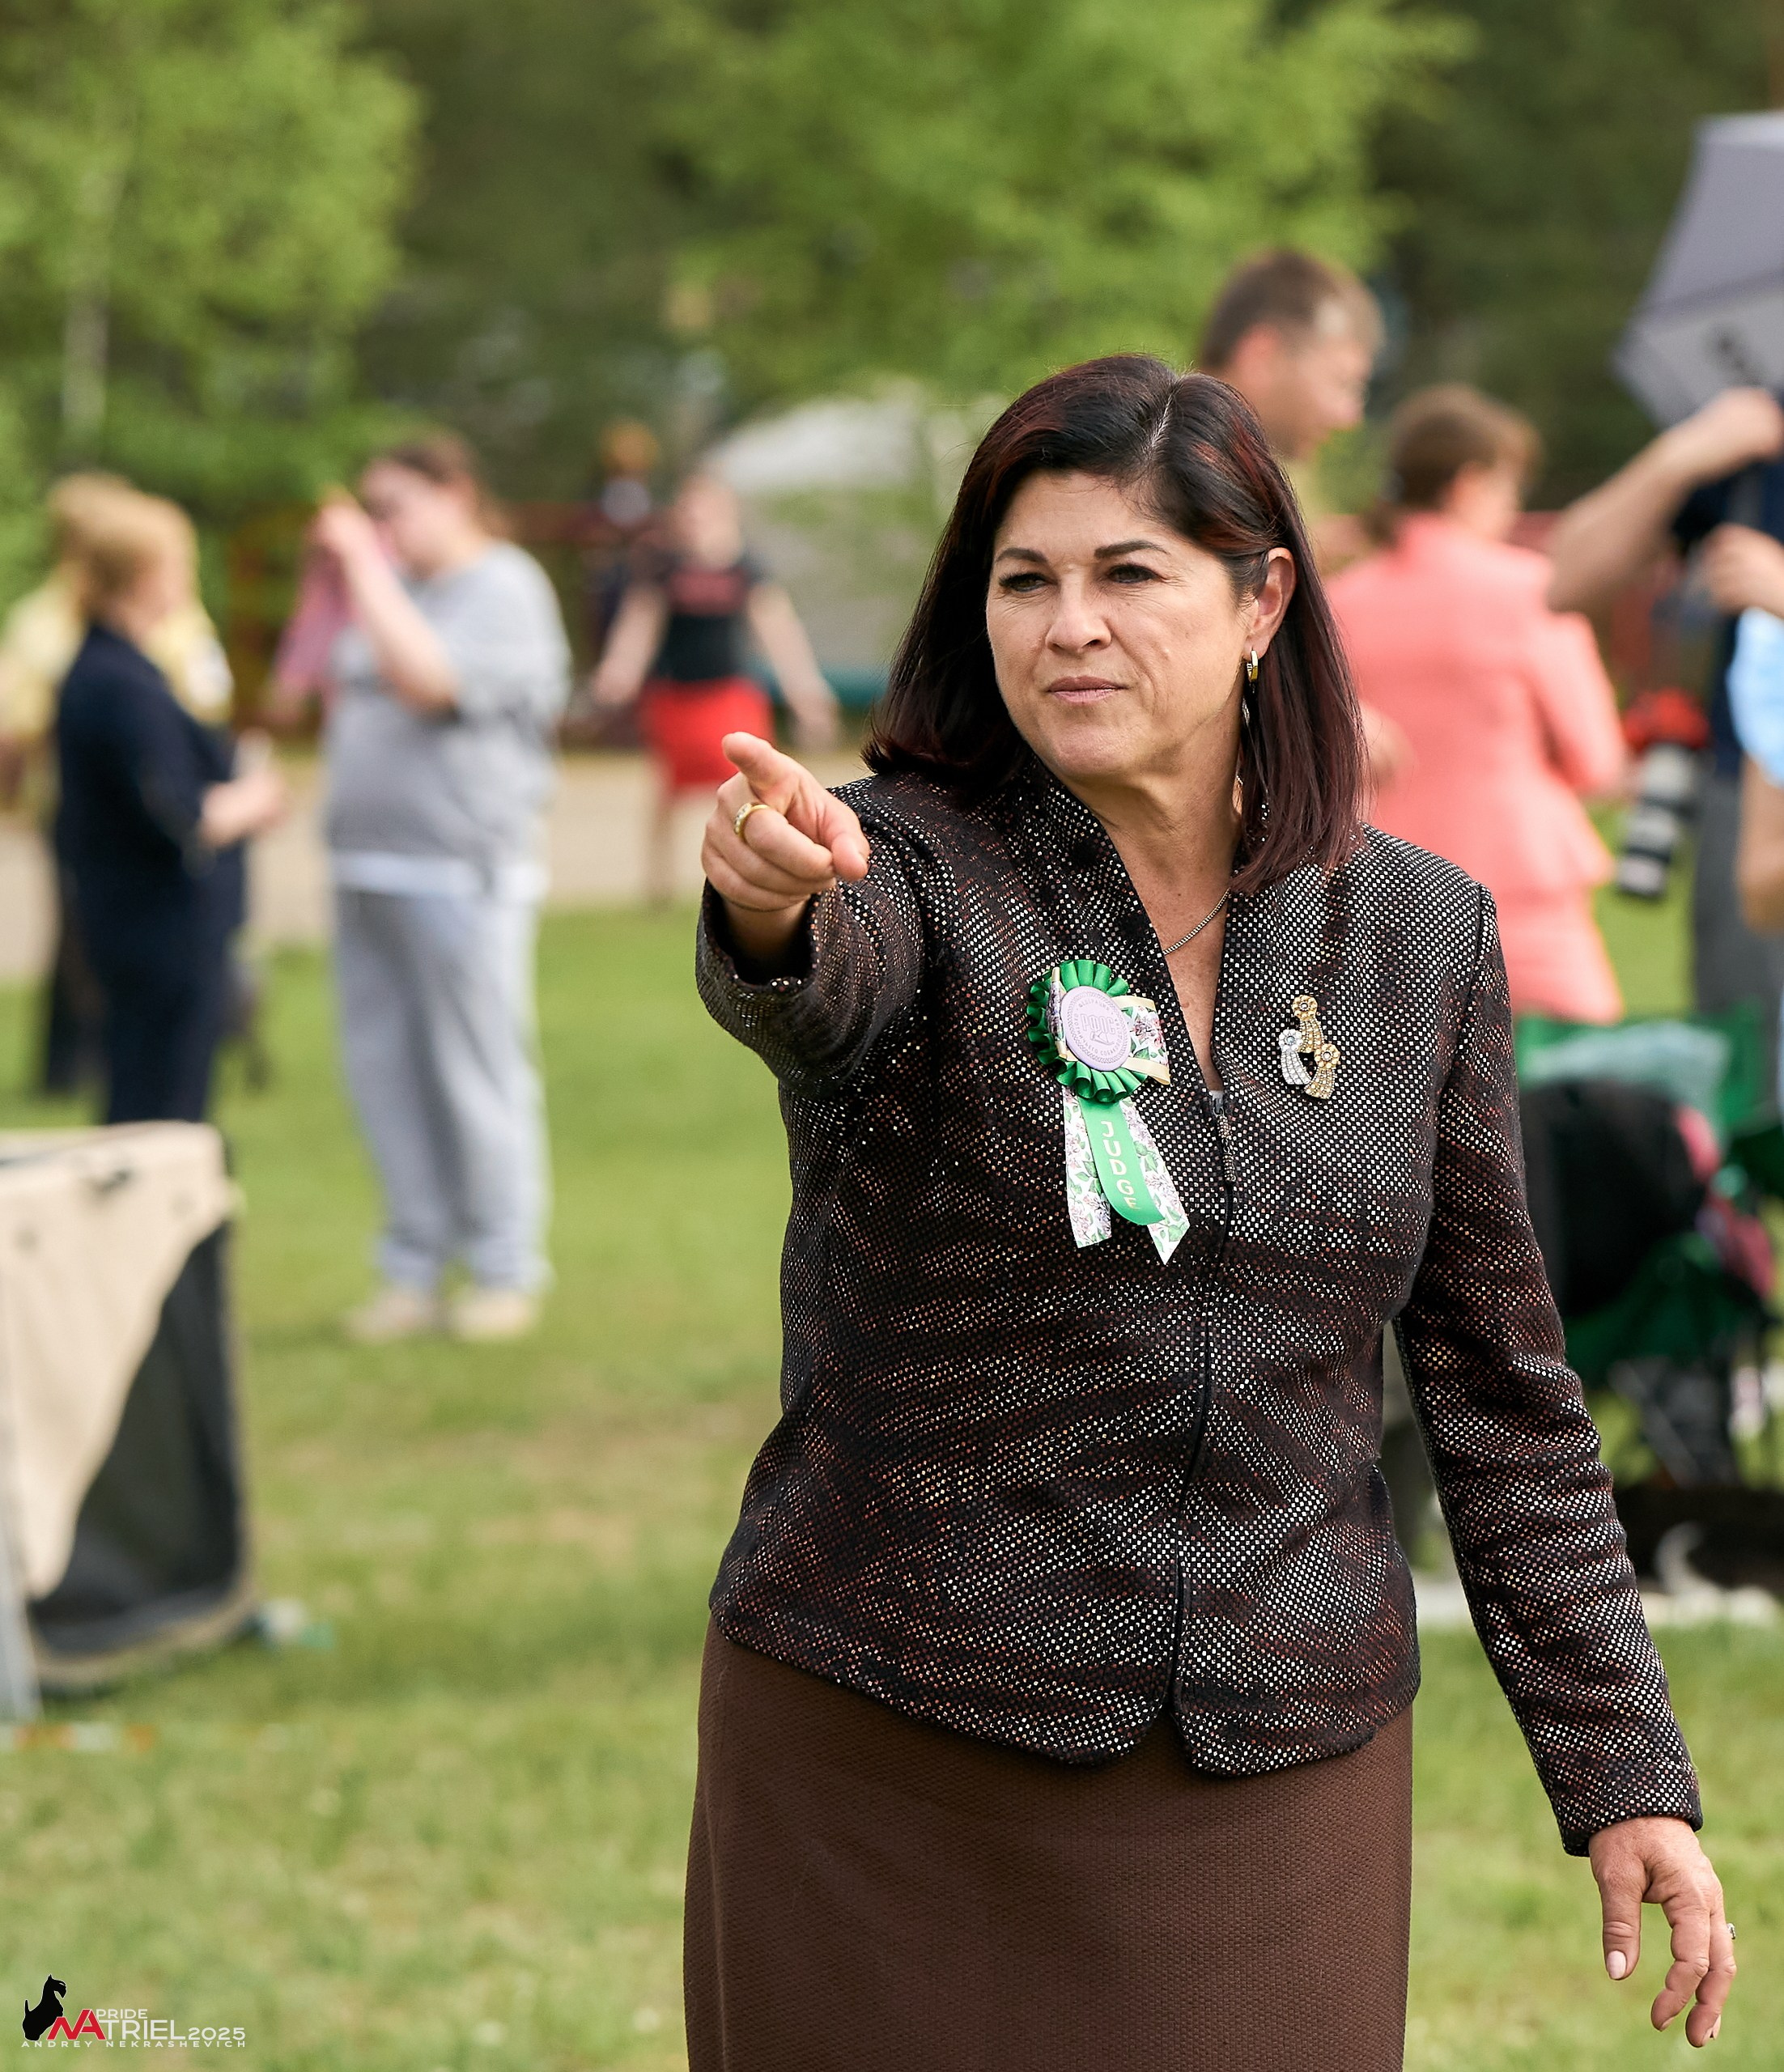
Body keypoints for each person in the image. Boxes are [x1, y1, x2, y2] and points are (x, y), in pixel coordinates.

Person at [685, 358, 1732, 2070]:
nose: (1068, 627)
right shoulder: (907, 869)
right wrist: (767, 912)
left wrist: (1623, 1771)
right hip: (896, 1751)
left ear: (1261, 603)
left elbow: (1500, 1392)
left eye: (1126, 573)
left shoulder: (1417, 937)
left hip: (1277, 1774)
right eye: (1023, 580)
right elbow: (818, 984)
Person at [311, 434, 571, 1344]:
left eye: (396, 506)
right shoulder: (395, 588)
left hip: (462, 868)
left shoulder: (503, 585)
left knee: (474, 1073)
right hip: (367, 865)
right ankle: (413, 1266)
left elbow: (429, 683)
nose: (380, 527)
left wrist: (359, 564)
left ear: (455, 493)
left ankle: (503, 1268)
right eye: (371, 511)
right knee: (385, 1077)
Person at [1329, 385, 1628, 1022]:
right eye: (1508, 487)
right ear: (1468, 484)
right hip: (1521, 893)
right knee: (1581, 1072)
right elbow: (1597, 759)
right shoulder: (1532, 589)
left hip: (1382, 900)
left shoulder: (1335, 604)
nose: (1512, 508)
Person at [1547, 385, 1784, 1062]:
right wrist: (1683, 454)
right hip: (1751, 799)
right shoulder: (1760, 437)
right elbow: (1564, 579)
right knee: (1754, 1068)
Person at [0, 471, 236, 1094]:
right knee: (136, 987)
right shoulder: (120, 654)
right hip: (139, 823)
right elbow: (199, 721)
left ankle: (70, 1065)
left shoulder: (46, 621)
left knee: (85, 952)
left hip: (84, 809)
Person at [54, 494, 285, 1124]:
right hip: (155, 924)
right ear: (144, 575)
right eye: (180, 564)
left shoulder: (119, 669)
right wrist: (250, 799)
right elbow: (175, 812)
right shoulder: (119, 683)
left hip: (137, 917)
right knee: (162, 1105)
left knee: (154, 1085)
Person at [591, 470, 838, 899]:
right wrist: (618, 673)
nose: (696, 522)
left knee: (755, 788)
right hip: (676, 697)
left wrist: (805, 692)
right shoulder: (663, 569)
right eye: (688, 513)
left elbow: (778, 632)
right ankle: (658, 887)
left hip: (731, 697)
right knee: (667, 793)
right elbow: (638, 628)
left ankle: (761, 873)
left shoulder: (748, 570)